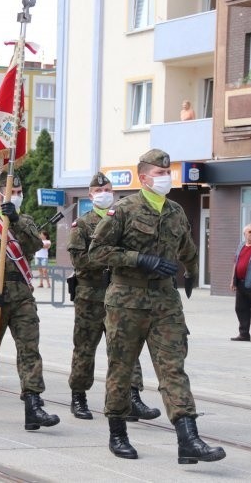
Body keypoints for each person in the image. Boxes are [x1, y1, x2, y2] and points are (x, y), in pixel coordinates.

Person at [89, 149, 225, 464]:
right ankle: (118, 433)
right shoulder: (122, 210)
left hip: (165, 302)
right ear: (143, 177)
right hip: (126, 301)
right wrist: (140, 259)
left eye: (168, 173)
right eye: (159, 173)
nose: (165, 177)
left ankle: (188, 440)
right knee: (121, 370)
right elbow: (97, 251)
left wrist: (192, 272)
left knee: (173, 368)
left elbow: (188, 248)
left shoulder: (176, 211)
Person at [0, 172, 60, 431]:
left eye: (19, 192)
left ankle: (33, 404)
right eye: (11, 192)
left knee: (29, 349)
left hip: (22, 296)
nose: (16, 196)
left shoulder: (25, 221)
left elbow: (34, 246)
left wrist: (15, 221)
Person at [66, 172, 160, 421]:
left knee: (126, 348)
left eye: (107, 189)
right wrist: (110, 257)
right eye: (99, 191)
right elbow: (79, 261)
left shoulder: (123, 220)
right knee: (85, 347)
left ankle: (132, 397)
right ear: (90, 195)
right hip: (90, 295)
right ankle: (79, 396)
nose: (104, 194)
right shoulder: (82, 225)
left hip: (120, 294)